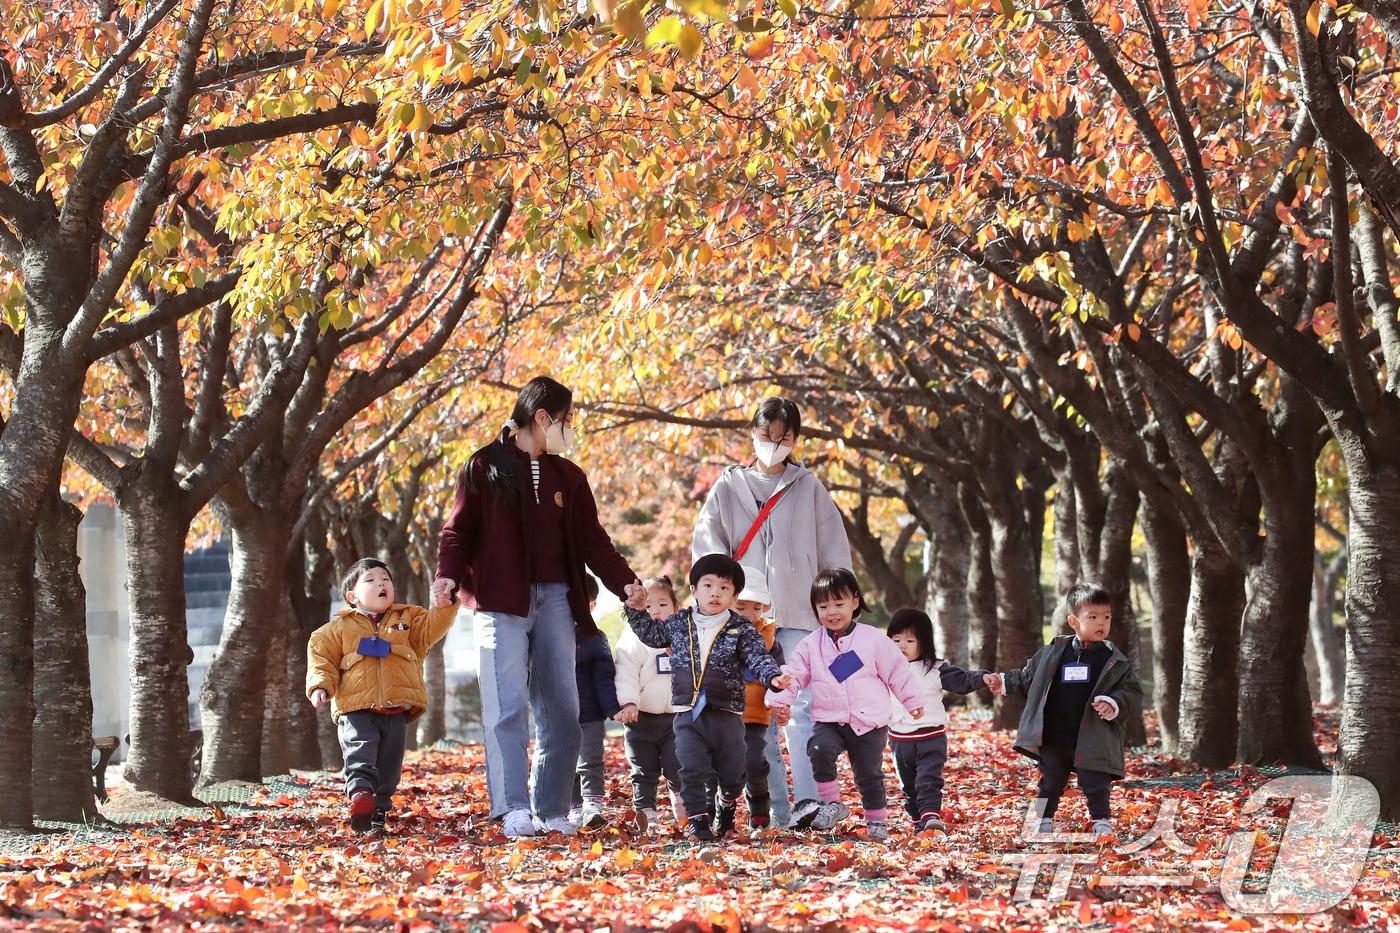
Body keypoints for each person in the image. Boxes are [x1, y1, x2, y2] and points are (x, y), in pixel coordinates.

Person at [435, 376, 644, 838]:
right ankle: (511, 808)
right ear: (543, 418)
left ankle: (551, 809)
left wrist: (627, 582)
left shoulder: (569, 477)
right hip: (498, 602)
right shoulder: (482, 466)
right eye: (567, 420)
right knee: (505, 707)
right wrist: (446, 575)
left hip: (556, 600)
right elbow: (457, 532)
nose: (571, 429)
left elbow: (594, 540)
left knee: (562, 709)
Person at [691, 397, 852, 827]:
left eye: (784, 438)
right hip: (744, 619)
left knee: (803, 709)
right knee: (753, 713)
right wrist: (716, 607)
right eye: (766, 435)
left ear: (796, 439)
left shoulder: (810, 487)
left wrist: (835, 610)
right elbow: (707, 553)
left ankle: (811, 802)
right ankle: (776, 810)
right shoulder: (727, 487)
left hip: (799, 613)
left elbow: (834, 554)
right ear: (753, 432)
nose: (774, 444)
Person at [622, 554, 796, 842]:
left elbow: (758, 658)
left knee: (732, 771)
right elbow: (652, 635)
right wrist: (636, 611)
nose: (715, 593)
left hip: (727, 713)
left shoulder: (740, 628)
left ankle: (726, 803)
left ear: (734, 595)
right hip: (688, 712)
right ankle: (699, 823)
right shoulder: (679, 623)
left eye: (724, 588)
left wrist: (773, 678)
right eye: (708, 585)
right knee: (690, 768)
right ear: (694, 590)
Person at [766, 569, 924, 842]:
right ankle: (832, 805)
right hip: (830, 718)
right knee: (818, 749)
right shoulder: (811, 644)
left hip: (869, 721)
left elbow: (897, 671)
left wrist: (912, 701)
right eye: (823, 606)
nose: (832, 612)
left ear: (854, 601)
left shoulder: (873, 639)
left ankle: (876, 822)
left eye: (839, 604)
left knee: (868, 775)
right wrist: (780, 701)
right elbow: (794, 675)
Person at [306, 558, 458, 835]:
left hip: (395, 709)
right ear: (352, 597)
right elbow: (321, 659)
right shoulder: (336, 629)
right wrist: (320, 686)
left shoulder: (410, 619)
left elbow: (433, 626)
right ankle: (361, 794)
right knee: (360, 750)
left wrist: (444, 605)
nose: (381, 584)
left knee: (389, 766)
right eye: (371, 580)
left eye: (386, 580)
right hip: (356, 708)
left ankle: (377, 812)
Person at [984, 582, 1143, 838]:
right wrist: (1002, 682)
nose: (1101, 623)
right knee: (1049, 781)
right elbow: (1027, 677)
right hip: (1054, 735)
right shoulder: (1053, 652)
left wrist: (1113, 703)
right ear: (1073, 621)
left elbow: (1131, 692)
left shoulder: (1114, 659)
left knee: (1096, 782)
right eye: (1092, 617)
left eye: (1106, 617)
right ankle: (1042, 819)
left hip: (1094, 735)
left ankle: (1101, 821)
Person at [885, 608, 988, 833]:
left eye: (910, 640)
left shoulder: (935, 669)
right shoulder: (883, 670)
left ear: (924, 643)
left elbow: (962, 680)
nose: (901, 646)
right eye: (896, 640)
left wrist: (982, 678)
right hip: (899, 741)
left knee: (928, 780)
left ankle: (931, 816)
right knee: (909, 787)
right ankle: (918, 821)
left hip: (930, 738)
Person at [614, 576, 685, 832]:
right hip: (640, 718)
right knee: (643, 770)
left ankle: (679, 797)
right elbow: (626, 673)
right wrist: (628, 703)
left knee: (678, 765)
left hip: (675, 718)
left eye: (662, 604)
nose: (655, 610)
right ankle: (646, 813)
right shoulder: (633, 640)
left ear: (676, 608)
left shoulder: (683, 638)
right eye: (647, 606)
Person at [731, 571, 786, 831]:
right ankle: (720, 811)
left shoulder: (770, 637)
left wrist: (781, 702)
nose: (748, 614)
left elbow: (780, 674)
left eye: (756, 607)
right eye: (741, 606)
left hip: (755, 714)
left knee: (754, 763)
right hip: (722, 713)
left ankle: (760, 807)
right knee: (722, 767)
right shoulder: (717, 631)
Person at [571, 575, 620, 830]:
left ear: (592, 605)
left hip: (590, 713)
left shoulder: (595, 638)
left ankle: (593, 806)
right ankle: (573, 807)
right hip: (559, 714)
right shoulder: (548, 639)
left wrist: (613, 708)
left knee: (590, 760)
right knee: (565, 762)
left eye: (582, 603)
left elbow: (604, 676)